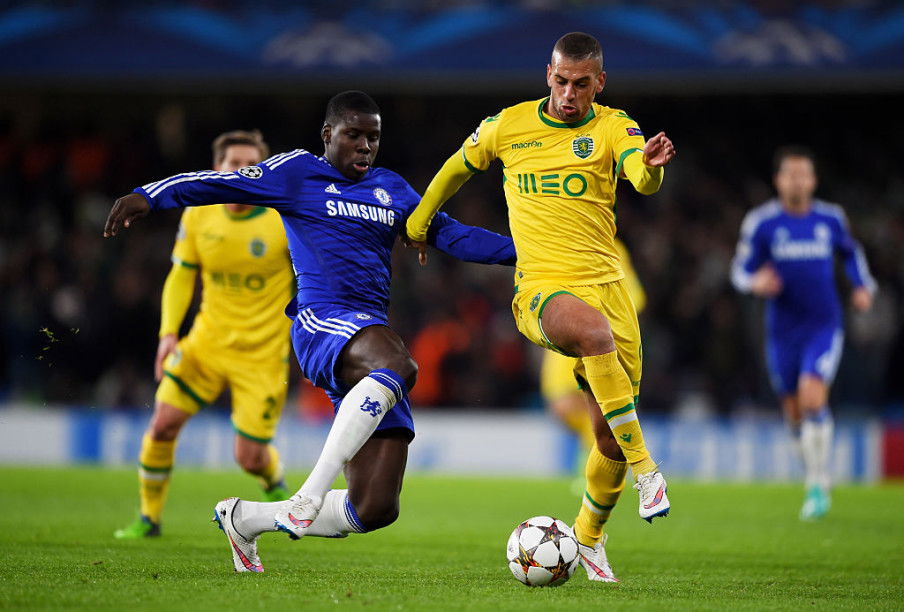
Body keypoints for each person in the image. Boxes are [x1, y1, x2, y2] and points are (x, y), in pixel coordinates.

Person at [104, 91, 516, 571]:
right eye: (355, 135)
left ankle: (246, 519)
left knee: (376, 507)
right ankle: (309, 493)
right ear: (328, 135)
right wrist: (148, 196)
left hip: (365, 335)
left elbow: (452, 233)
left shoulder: (392, 189)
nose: (365, 146)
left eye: (374, 138)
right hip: (321, 322)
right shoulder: (296, 173)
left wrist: (528, 253)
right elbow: (218, 184)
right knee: (400, 363)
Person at [404, 32, 675, 583]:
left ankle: (589, 539)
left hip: (609, 289)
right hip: (541, 290)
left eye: (581, 83)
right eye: (560, 80)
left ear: (599, 83)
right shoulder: (508, 125)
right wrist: (418, 222)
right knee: (592, 335)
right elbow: (457, 167)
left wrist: (652, 166)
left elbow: (642, 177)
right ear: (547, 75)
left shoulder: (613, 126)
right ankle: (651, 473)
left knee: (608, 440)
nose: (569, 92)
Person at [114, 130, 294, 539]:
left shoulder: (282, 218)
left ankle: (272, 477)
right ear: (217, 170)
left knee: (248, 457)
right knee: (162, 423)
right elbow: (181, 274)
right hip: (206, 344)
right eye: (234, 164)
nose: (243, 172)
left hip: (262, 353)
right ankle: (148, 518)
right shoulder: (198, 214)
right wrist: (168, 333)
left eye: (253, 166)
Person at [731, 146, 875, 520]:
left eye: (803, 174)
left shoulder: (830, 219)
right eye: (789, 174)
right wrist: (755, 280)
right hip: (782, 332)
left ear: (813, 180)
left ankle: (818, 481)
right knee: (794, 413)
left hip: (823, 325)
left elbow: (852, 254)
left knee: (813, 399)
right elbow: (740, 270)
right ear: (778, 180)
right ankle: (813, 475)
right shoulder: (762, 223)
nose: (796, 180)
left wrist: (862, 286)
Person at [542, 238, 646, 479]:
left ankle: (596, 474)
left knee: (587, 406)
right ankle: (595, 461)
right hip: (562, 327)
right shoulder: (555, 236)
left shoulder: (610, 247)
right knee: (561, 407)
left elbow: (633, 299)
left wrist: (600, 328)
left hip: (590, 334)